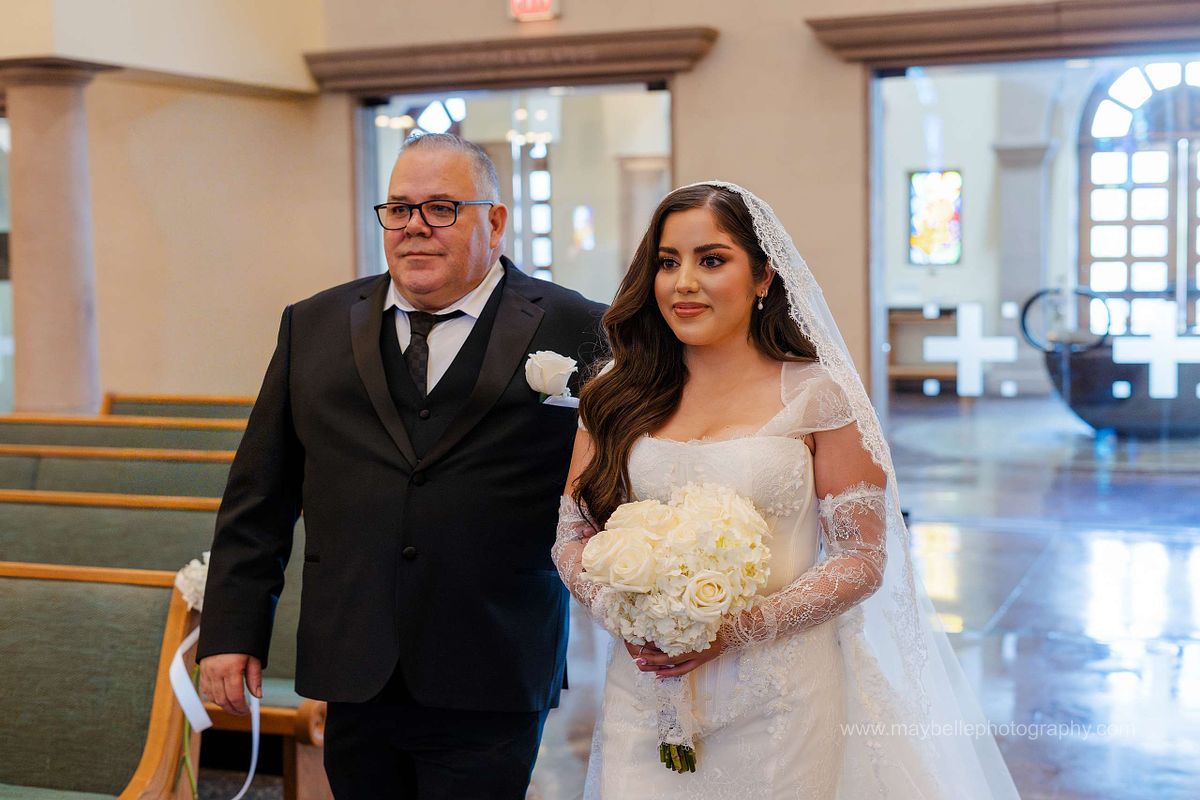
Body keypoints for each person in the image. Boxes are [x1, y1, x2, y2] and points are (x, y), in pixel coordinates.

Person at [552, 182, 1020, 798]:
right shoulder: (616, 392)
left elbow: (861, 558)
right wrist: (629, 613)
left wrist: (733, 630)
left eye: (711, 260)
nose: (683, 283)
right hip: (648, 689)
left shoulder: (818, 396)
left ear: (763, 277)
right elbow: (573, 536)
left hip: (781, 696)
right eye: (667, 262)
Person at [197, 132, 605, 799]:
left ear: (494, 222)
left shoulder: (578, 327)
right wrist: (232, 631)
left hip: (493, 657)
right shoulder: (313, 325)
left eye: (441, 208)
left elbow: (617, 488)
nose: (415, 226)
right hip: (352, 657)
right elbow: (259, 494)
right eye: (399, 208)